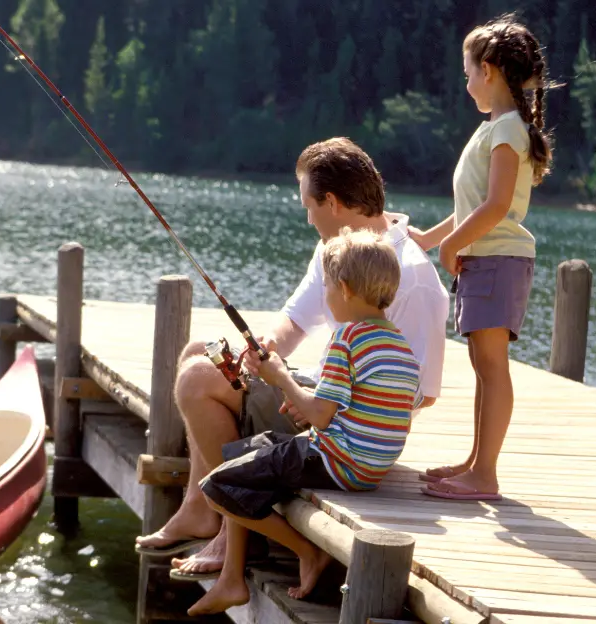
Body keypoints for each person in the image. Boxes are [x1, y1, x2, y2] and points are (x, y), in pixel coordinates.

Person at [134, 138, 450, 580]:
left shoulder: (411, 276)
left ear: (334, 202)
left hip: (341, 427)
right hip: (323, 393)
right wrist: (264, 351)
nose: (307, 217)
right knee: (197, 353)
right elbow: (295, 319)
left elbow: (415, 394)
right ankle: (197, 508)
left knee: (195, 380)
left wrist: (309, 397)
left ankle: (228, 531)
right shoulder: (339, 251)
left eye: (308, 206)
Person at [187, 227, 422, 615]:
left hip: (336, 462)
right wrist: (298, 394)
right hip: (370, 468)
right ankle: (238, 567)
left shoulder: (347, 339)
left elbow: (319, 416)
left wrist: (279, 377)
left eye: (327, 287)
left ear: (344, 289)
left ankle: (306, 552)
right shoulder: (399, 345)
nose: (326, 295)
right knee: (251, 449)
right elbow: (359, 409)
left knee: (217, 484)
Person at [408, 14, 552, 501]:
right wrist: (430, 239)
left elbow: (494, 207)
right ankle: (474, 462)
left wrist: (451, 246)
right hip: (484, 259)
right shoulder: (497, 127)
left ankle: (485, 475)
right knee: (482, 365)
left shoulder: (508, 129)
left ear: (488, 70)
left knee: (493, 366)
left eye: (468, 72)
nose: (466, 82)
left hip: (497, 260)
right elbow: (471, 208)